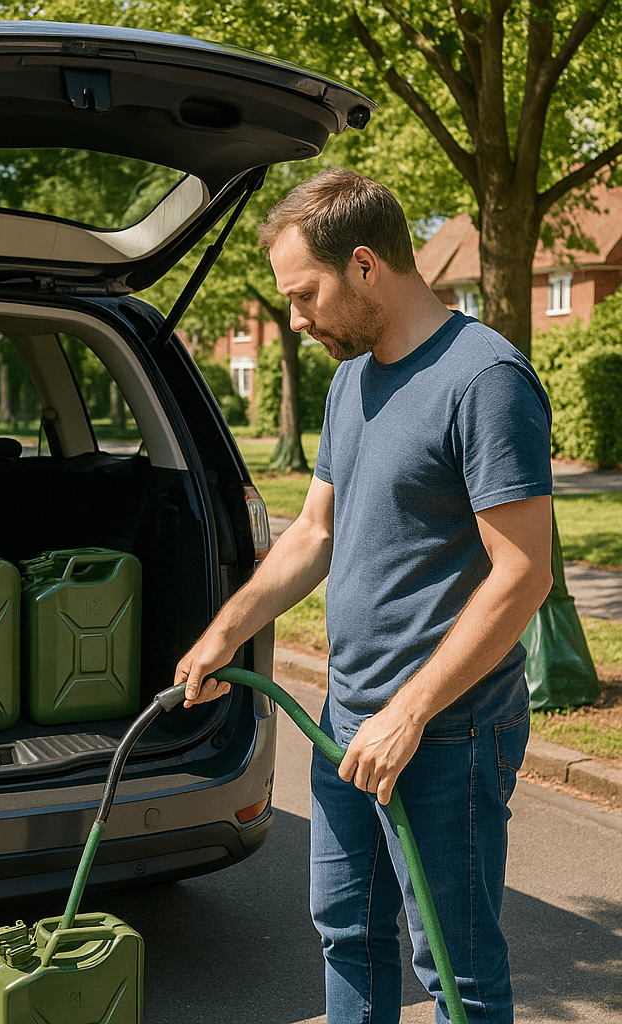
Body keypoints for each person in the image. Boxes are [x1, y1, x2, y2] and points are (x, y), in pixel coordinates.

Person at [176, 169, 553, 1023]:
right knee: (348, 934)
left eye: (305, 295)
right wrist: (224, 633)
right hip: (344, 720)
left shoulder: (484, 378)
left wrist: (410, 712)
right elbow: (313, 533)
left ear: (364, 265)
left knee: (456, 968)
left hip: (446, 728)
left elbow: (524, 572)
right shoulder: (352, 379)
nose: (297, 318)